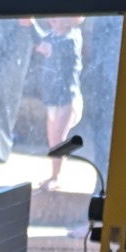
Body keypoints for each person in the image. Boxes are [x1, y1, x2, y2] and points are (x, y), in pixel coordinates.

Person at [29, 16, 85, 183]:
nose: (53, 18)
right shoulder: (52, 36)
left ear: (69, 20)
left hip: (67, 97)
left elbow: (61, 47)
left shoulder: (72, 38)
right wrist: (31, 24)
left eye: (59, 16)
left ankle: (56, 176)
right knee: (53, 139)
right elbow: (40, 39)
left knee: (58, 139)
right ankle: (55, 174)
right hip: (52, 97)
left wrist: (49, 48)